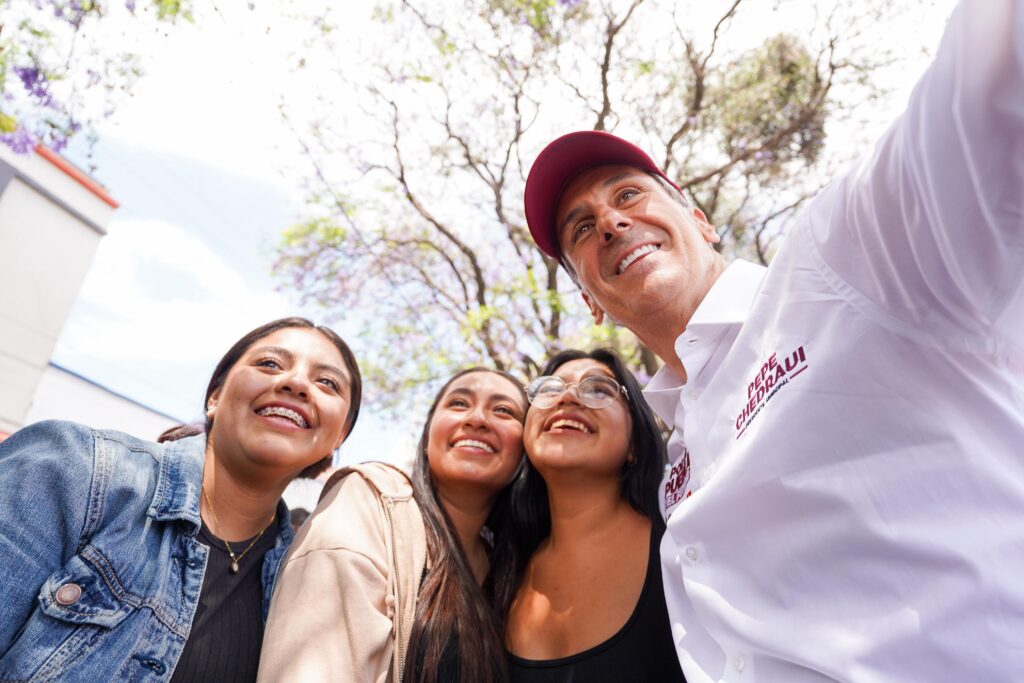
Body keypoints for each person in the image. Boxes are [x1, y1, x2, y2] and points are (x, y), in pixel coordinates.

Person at [520, 1, 1024, 679]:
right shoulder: (673, 464)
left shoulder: (847, 258)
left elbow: (988, 84)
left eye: (630, 194)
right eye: (581, 228)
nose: (610, 222)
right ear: (589, 299)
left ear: (701, 222)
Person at [0, 317, 362, 682]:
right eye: (269, 364)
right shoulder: (75, 468)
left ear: (339, 437)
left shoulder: (304, 583)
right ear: (215, 397)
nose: (296, 383)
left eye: (327, 383)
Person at [258, 367, 527, 683]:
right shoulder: (371, 500)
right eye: (458, 404)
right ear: (426, 439)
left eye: (504, 411)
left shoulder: (513, 572)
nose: (477, 419)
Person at [506, 349, 685, 682]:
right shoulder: (501, 568)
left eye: (598, 390)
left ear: (635, 443)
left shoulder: (684, 545)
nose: (568, 397)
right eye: (549, 389)